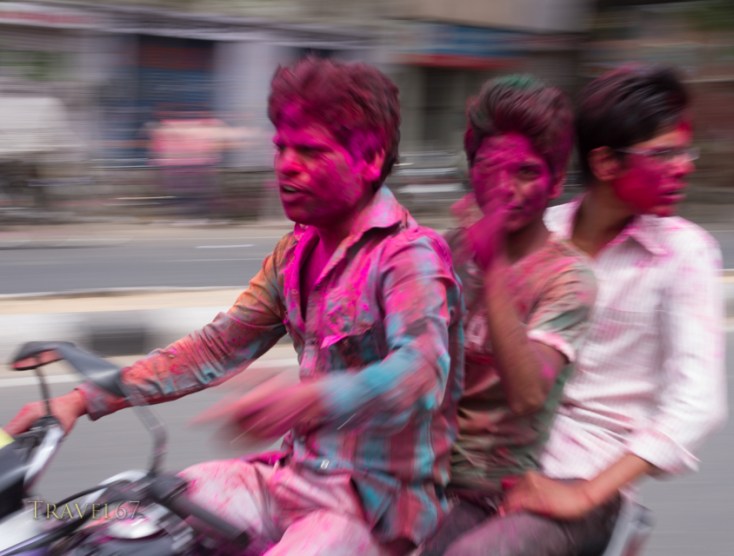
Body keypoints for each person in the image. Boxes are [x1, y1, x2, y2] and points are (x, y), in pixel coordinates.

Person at [4, 57, 464, 556]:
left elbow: (421, 371)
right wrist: (79, 400)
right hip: (289, 482)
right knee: (134, 517)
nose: (286, 164)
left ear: (369, 159)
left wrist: (310, 398)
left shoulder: (408, 256)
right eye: (281, 147)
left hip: (374, 510)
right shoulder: (295, 254)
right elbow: (216, 347)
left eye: (310, 150)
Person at [443, 65, 727, 555]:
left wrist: (586, 494)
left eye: (685, 151)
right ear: (605, 163)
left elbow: (696, 404)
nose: (685, 166)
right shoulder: (536, 225)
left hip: (584, 477)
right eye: (664, 154)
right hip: (489, 466)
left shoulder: (685, 255)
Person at [419, 75, 597, 555]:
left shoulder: (567, 278)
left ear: (556, 180)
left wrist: (492, 263)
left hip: (485, 489)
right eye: (488, 168)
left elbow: (527, 396)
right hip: (407, 468)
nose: (502, 189)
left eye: (524, 172)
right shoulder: (440, 252)